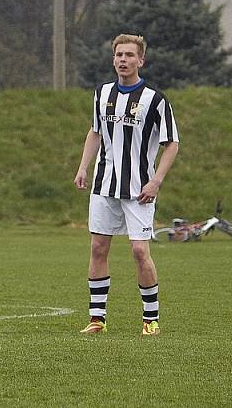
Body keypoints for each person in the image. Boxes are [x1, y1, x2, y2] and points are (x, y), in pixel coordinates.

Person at [73, 33, 180, 337]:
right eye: (119, 55)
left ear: (141, 60)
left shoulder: (155, 99)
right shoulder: (102, 93)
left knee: (139, 251)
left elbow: (172, 143)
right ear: (113, 59)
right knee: (97, 247)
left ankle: (150, 320)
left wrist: (156, 180)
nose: (123, 60)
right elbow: (95, 132)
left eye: (130, 55)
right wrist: (83, 167)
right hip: (104, 185)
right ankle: (97, 319)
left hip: (139, 190)